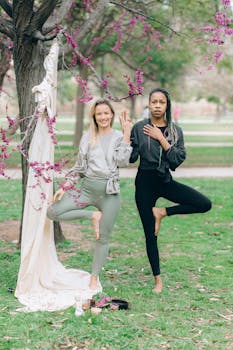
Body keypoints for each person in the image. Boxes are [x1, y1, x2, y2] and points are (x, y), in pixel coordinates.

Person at [129, 88, 212, 293]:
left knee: (204, 203)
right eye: (154, 101)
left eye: (161, 102)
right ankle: (158, 279)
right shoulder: (139, 128)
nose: (157, 105)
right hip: (144, 183)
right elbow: (130, 158)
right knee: (151, 235)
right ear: (148, 104)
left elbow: (176, 160)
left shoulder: (176, 131)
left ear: (167, 105)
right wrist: (125, 133)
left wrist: (161, 138)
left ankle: (163, 212)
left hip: (165, 180)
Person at [47, 98, 132, 290]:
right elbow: (79, 168)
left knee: (103, 237)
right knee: (53, 212)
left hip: (110, 193)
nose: (103, 117)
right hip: (86, 190)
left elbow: (123, 161)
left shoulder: (119, 136)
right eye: (99, 113)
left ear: (111, 115)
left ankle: (94, 276)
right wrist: (65, 186)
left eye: (106, 113)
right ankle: (93, 216)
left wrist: (127, 134)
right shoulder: (87, 137)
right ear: (94, 116)